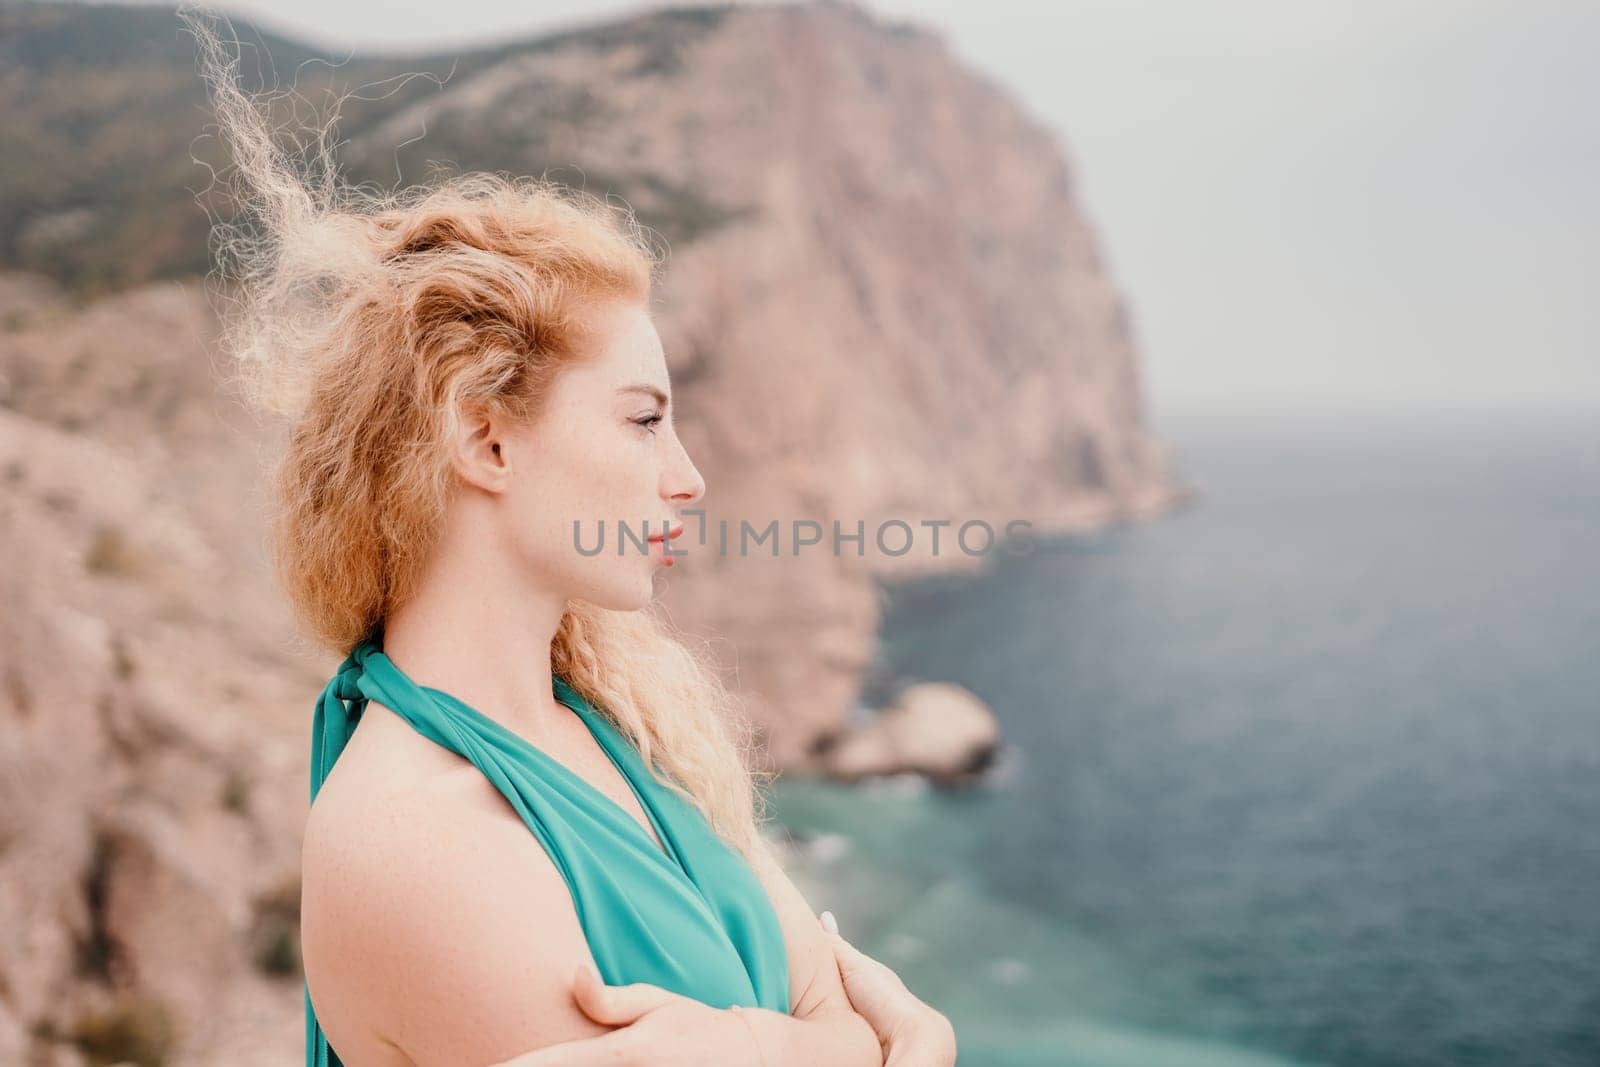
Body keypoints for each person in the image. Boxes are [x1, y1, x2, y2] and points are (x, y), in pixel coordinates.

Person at [177, 5, 957, 1065]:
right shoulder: (420, 839)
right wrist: (856, 1045)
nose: (686, 478)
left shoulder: (616, 725)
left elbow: (838, 1013)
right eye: (642, 419)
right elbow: (853, 1025)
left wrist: (771, 1047)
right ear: (486, 440)